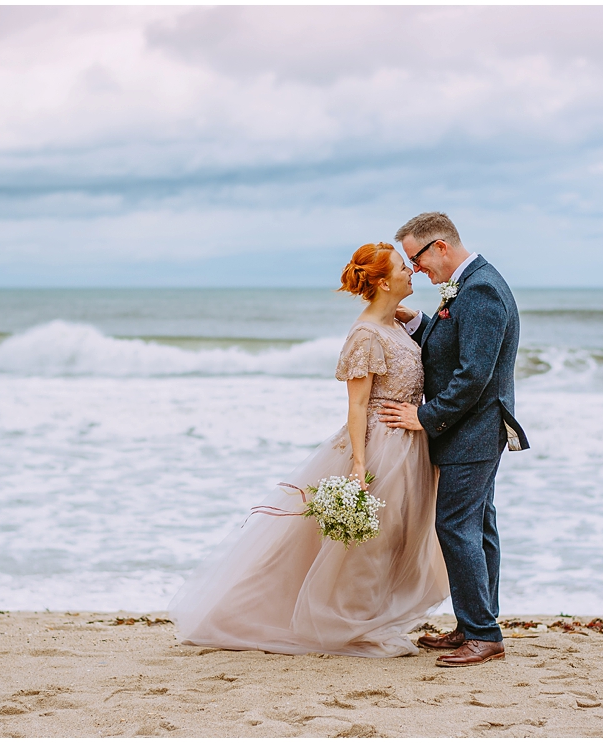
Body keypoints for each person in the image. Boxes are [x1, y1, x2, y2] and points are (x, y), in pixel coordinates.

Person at [168, 242, 449, 657]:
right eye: (402, 268)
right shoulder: (366, 334)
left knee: (396, 539)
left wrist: (404, 316)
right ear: (385, 281)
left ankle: (373, 617)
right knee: (368, 544)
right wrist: (359, 463)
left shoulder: (393, 324)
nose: (412, 271)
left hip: (410, 444)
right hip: (381, 446)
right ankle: (350, 626)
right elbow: (356, 404)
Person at [380, 211, 529, 668]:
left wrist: (424, 416)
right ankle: (475, 625)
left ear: (440, 246)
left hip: (475, 431)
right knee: (479, 527)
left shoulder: (481, 289)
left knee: (456, 526)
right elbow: (455, 344)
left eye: (417, 259)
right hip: (473, 430)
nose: (417, 270)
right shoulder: (468, 286)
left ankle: (484, 635)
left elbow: (473, 376)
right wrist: (418, 322)